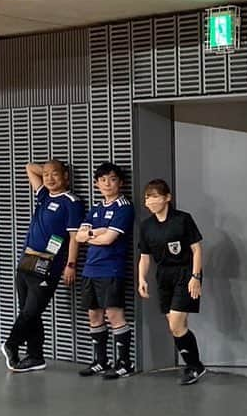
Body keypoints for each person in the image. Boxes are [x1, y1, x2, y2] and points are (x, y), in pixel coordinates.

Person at [2, 160, 84, 373]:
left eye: (54, 174)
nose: (48, 178)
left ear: (66, 176)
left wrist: (71, 265)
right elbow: (29, 166)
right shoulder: (45, 196)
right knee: (30, 312)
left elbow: (75, 236)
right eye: (46, 174)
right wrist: (48, 170)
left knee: (31, 310)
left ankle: (12, 343)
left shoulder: (71, 201)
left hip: (48, 263)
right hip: (27, 259)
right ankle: (35, 356)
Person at [136, 179, 207, 385]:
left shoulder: (182, 219)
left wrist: (195, 277)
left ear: (167, 198)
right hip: (163, 276)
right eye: (148, 197)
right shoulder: (146, 226)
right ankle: (193, 365)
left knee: (176, 324)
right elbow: (145, 257)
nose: (151, 201)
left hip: (184, 272)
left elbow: (197, 250)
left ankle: (195, 366)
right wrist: (142, 278)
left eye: (156, 196)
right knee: (176, 325)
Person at [76, 162, 135, 379]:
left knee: (114, 314)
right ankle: (100, 361)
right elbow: (79, 237)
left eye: (112, 179)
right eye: (102, 180)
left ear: (121, 182)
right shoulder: (96, 208)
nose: (107, 184)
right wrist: (95, 233)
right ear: (96, 184)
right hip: (90, 269)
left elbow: (110, 239)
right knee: (94, 315)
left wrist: (94, 234)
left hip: (111, 268)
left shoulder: (124, 207)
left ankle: (124, 363)